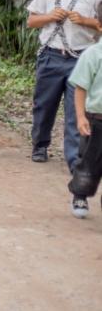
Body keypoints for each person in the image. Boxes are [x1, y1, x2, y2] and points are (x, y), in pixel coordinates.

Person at [26, 0, 102, 176]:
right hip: (50, 56)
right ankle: (40, 144)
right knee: (44, 104)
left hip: (81, 58)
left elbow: (100, 25)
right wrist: (49, 17)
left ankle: (74, 158)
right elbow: (31, 21)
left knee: (74, 111)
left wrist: (86, 21)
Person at [68, 37, 102, 219]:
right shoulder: (93, 54)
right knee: (89, 162)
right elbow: (81, 87)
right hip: (96, 119)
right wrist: (81, 117)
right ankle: (80, 195)